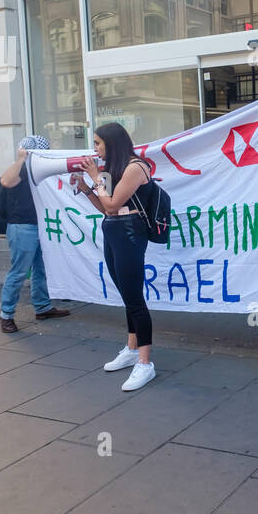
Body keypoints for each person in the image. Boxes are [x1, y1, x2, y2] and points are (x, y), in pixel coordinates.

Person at [71, 123, 157, 391]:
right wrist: (86, 187)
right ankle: (132, 349)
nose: (94, 148)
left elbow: (112, 203)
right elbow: (105, 209)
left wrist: (96, 176)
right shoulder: (109, 171)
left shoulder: (135, 167)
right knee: (125, 293)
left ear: (112, 142)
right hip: (113, 229)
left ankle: (145, 363)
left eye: (98, 143)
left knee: (134, 297)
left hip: (130, 232)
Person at [0, 135, 70, 333]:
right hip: (22, 226)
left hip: (40, 224)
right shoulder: (20, 167)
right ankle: (6, 315)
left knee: (40, 268)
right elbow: (6, 181)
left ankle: (42, 307)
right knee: (19, 271)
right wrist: (21, 159)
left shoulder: (38, 169)